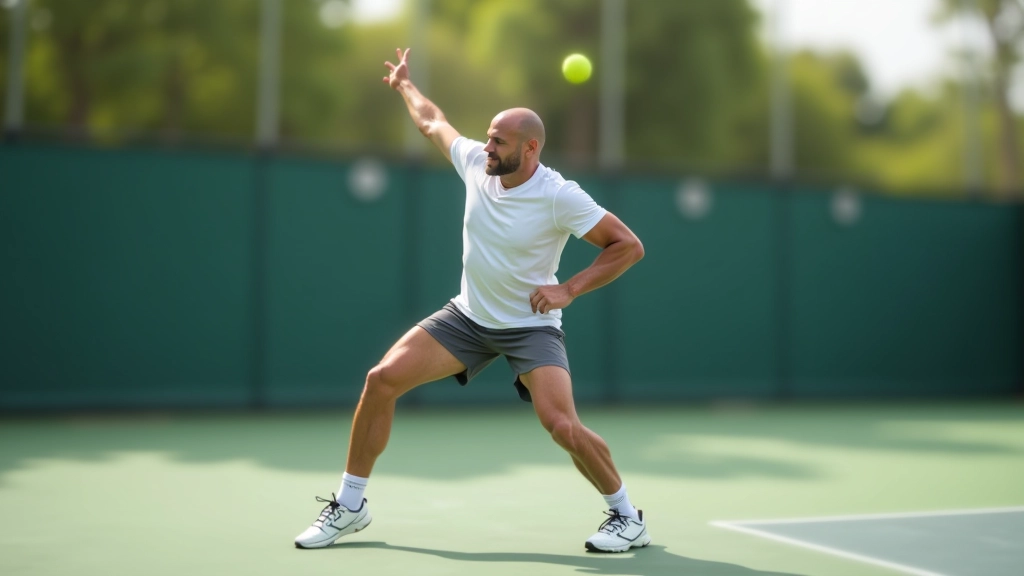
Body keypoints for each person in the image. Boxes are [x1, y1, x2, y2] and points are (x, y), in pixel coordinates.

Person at [295, 48, 648, 553]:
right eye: (486, 136)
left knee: (562, 426)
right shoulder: (477, 166)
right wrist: (403, 86)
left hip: (531, 326)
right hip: (468, 316)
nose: (486, 146)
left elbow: (628, 246)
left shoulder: (559, 195)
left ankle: (627, 516)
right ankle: (350, 506)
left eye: (498, 141)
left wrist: (568, 288)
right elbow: (432, 122)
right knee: (381, 380)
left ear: (529, 150)